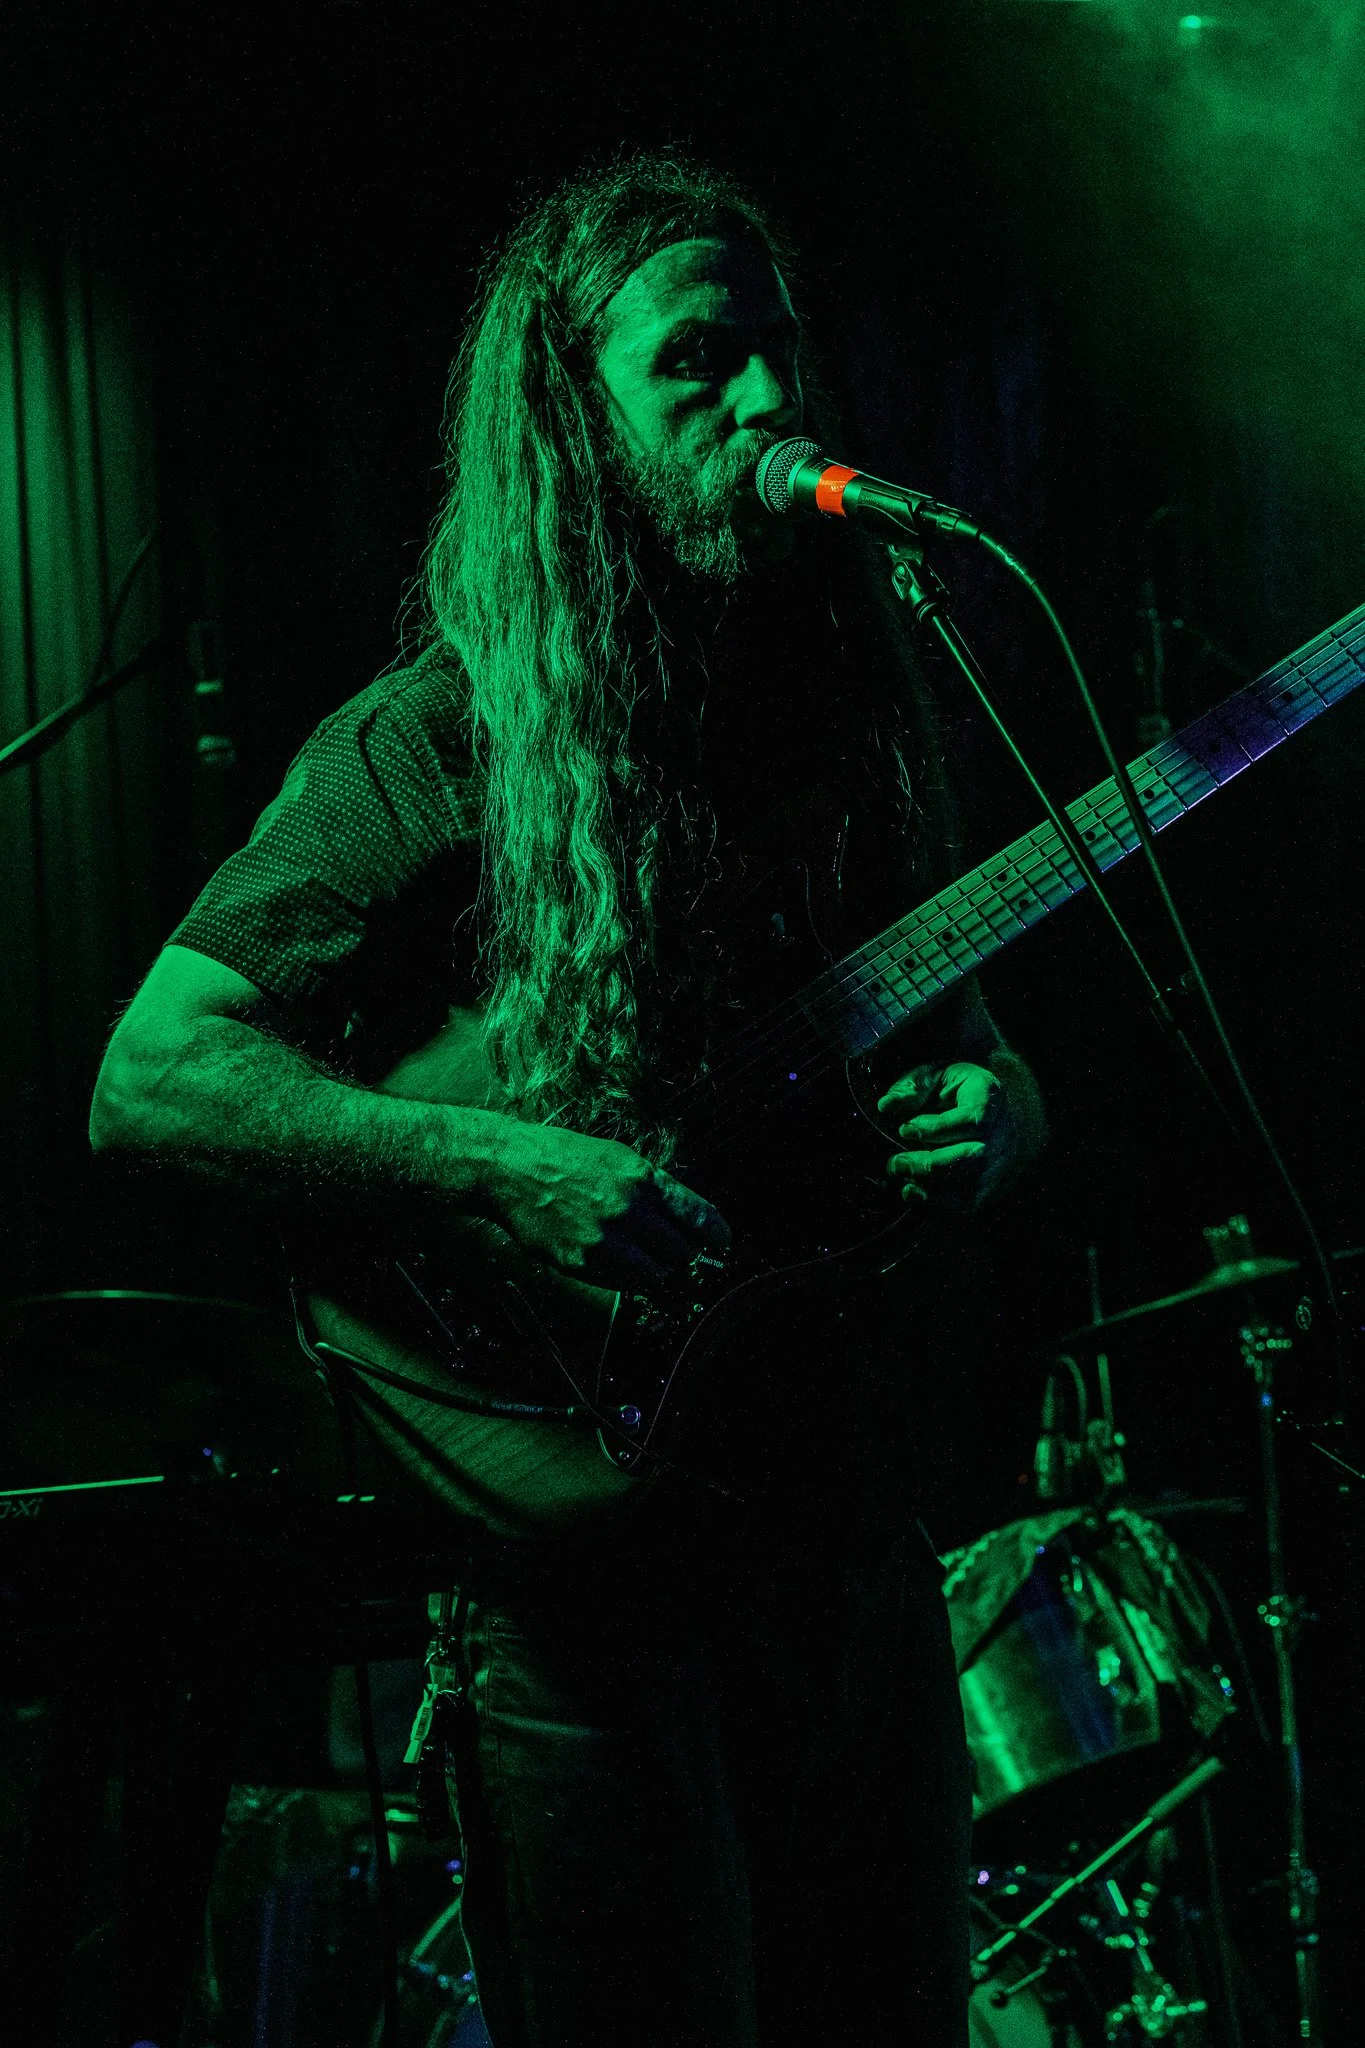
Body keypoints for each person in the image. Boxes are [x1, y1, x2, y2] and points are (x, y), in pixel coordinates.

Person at [91, 157, 1044, 2047]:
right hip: (581, 1587)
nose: (769, 402)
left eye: (777, 354)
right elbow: (152, 1072)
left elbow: (989, 1050)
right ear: (571, 418)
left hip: (848, 1545)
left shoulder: (849, 702)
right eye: (698, 365)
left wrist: (996, 1113)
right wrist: (492, 1166)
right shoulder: (435, 739)